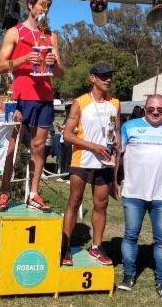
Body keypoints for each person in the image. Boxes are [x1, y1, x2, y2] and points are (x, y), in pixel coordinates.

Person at [0, 0, 63, 212]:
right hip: (20, 97)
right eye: (42, 4)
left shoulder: (51, 36)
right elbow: (0, 66)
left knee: (39, 146)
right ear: (30, 5)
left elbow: (62, 72)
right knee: (11, 148)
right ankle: (3, 192)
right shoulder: (15, 32)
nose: (45, 8)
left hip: (44, 98)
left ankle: (33, 193)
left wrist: (54, 63)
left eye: (49, 5)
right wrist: (25, 58)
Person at [117, 94, 162, 303]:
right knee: (131, 235)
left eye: (159, 109)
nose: (155, 112)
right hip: (133, 193)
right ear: (144, 109)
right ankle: (129, 275)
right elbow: (115, 155)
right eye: (151, 109)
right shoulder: (129, 127)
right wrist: (114, 181)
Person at [61, 62, 120, 266]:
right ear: (92, 78)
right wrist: (92, 145)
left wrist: (116, 142)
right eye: (103, 76)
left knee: (101, 205)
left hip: (104, 163)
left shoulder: (115, 103)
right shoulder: (80, 102)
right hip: (82, 160)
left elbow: (115, 130)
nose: (108, 79)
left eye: (110, 75)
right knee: (74, 202)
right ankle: (65, 246)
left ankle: (96, 247)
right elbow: (67, 134)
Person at [56, 103, 73, 182]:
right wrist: (59, 127)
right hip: (62, 140)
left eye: (67, 111)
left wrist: (62, 127)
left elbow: (75, 130)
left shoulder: (73, 120)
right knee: (63, 159)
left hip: (70, 142)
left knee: (69, 160)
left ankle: (69, 177)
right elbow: (61, 130)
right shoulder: (65, 119)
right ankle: (62, 176)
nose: (65, 113)